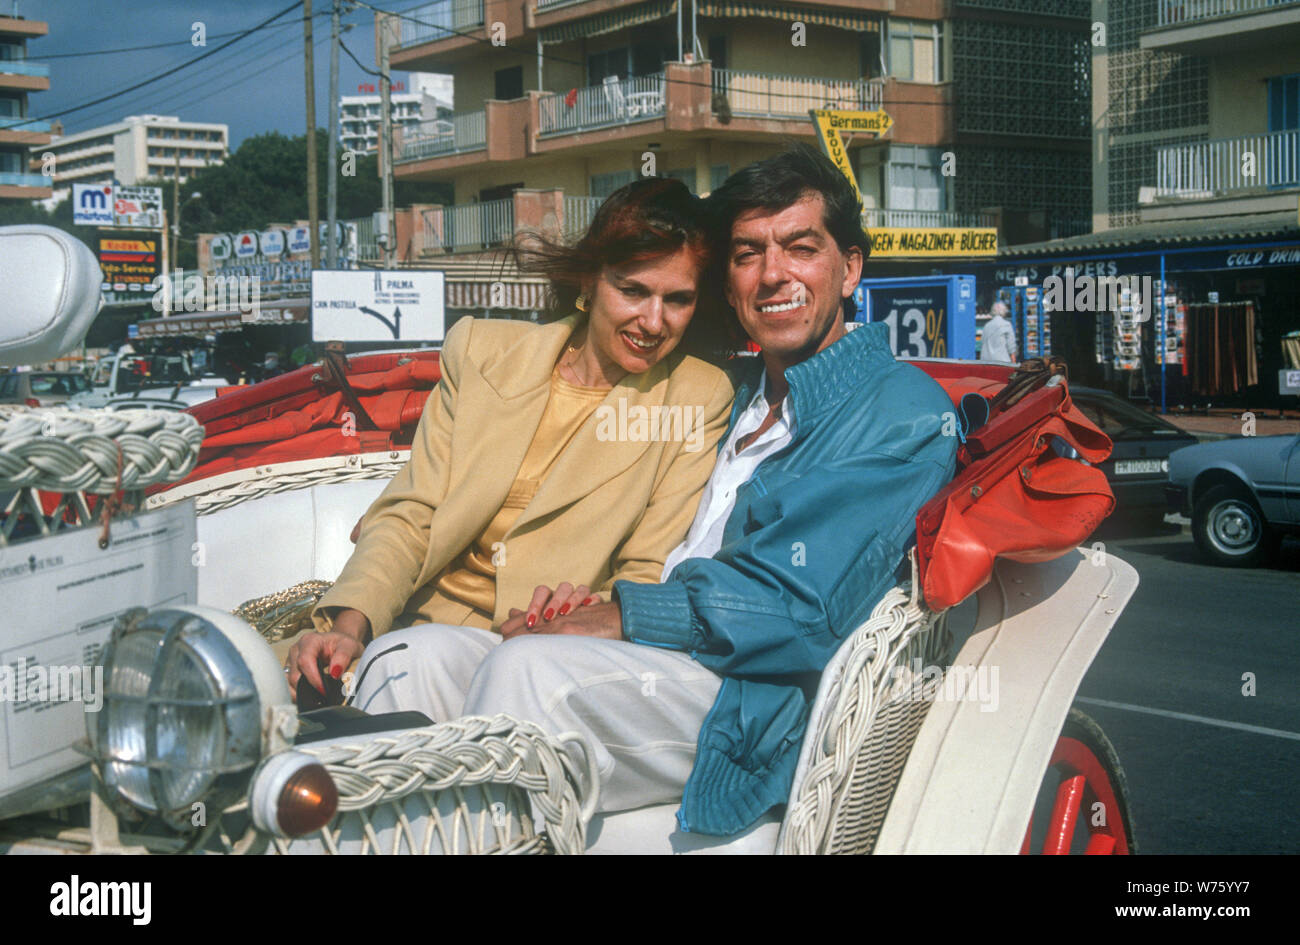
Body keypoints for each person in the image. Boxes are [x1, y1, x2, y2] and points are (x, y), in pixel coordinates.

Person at [346, 146, 958, 836]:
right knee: (411, 660)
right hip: (647, 657)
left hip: (747, 696)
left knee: (530, 674)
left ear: (850, 268)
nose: (772, 273)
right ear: (729, 285)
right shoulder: (733, 395)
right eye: (748, 253)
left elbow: (801, 609)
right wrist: (583, 605)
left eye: (800, 248)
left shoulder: (899, 412)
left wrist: (624, 614)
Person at [287, 177, 737, 695]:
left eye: (677, 299)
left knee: (417, 663)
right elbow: (412, 512)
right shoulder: (480, 351)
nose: (653, 322)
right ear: (589, 281)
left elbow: (647, 567)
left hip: (550, 654)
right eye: (632, 291)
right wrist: (350, 628)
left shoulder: (699, 396)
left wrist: (588, 613)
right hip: (412, 623)